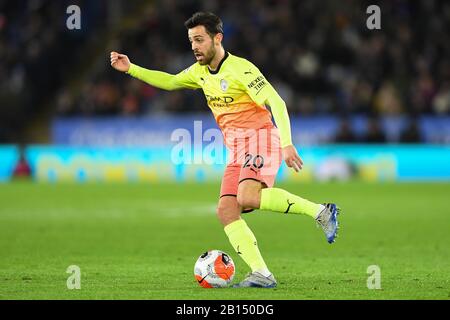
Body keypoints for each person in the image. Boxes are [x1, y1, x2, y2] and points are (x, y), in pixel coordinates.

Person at [110, 12, 341, 288]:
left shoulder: (242, 69)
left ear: (217, 38)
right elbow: (170, 82)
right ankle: (262, 274)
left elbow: (276, 102)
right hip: (237, 150)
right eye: (191, 41)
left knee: (247, 195)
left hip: (262, 139)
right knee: (227, 210)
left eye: (199, 39)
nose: (194, 46)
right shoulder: (198, 73)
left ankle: (321, 212)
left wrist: (287, 143)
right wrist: (131, 68)